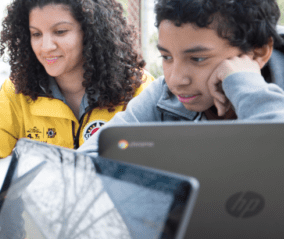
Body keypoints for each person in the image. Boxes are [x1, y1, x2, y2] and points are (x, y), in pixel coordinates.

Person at [0, 0, 154, 163]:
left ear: (91, 31)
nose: (45, 46)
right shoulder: (20, 91)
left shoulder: (138, 90)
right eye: (36, 34)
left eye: (60, 31)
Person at [78, 0, 284, 155]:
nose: (175, 80)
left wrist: (246, 86)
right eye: (166, 57)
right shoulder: (163, 97)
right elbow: (87, 161)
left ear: (257, 53)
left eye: (198, 58)